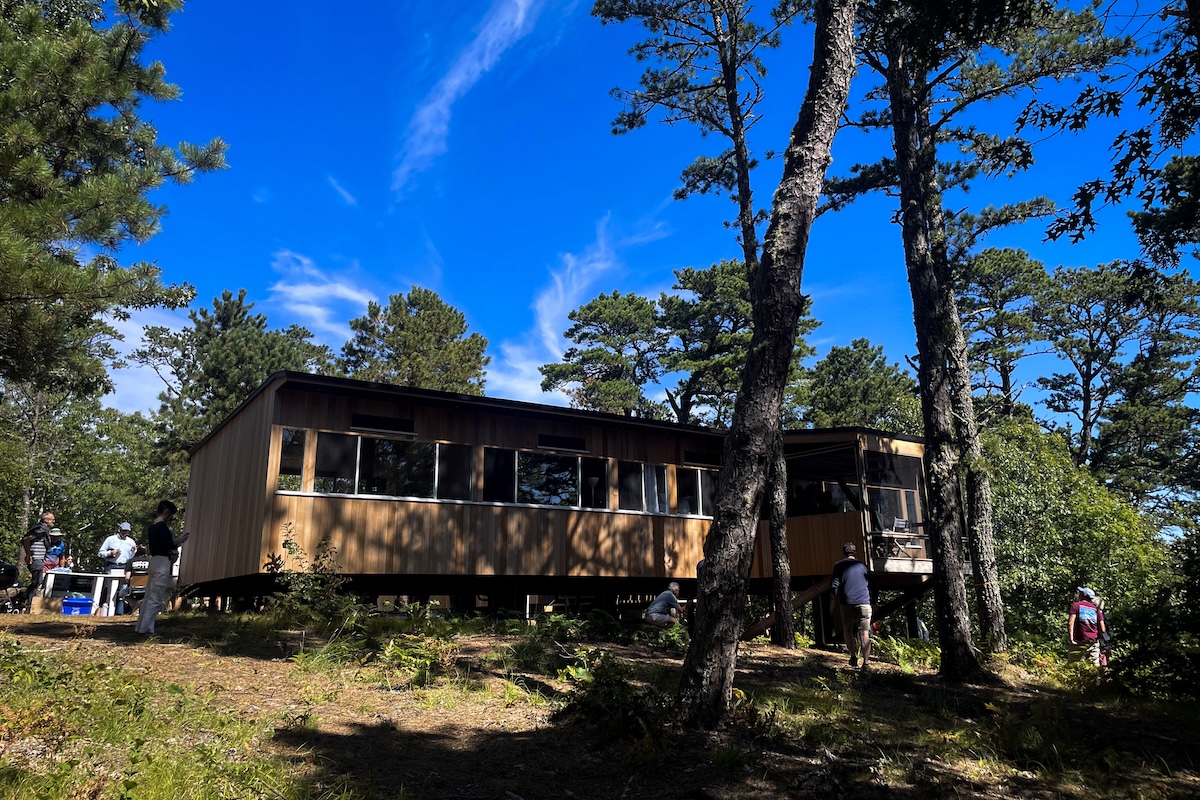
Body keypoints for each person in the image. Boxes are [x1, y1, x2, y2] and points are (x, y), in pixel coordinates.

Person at [134, 501, 191, 635]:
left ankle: (140, 626)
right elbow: (169, 544)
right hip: (162, 562)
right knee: (155, 597)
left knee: (148, 596)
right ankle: (147, 628)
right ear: (166, 512)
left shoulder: (152, 526)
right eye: (170, 514)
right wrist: (180, 540)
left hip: (153, 561)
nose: (170, 518)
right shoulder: (162, 527)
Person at [830, 542, 872, 671]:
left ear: (844, 552)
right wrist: (873, 602)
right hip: (864, 602)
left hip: (847, 602)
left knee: (847, 630)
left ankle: (853, 656)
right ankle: (866, 663)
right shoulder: (863, 566)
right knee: (865, 632)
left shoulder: (839, 565)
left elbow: (834, 585)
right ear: (855, 552)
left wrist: (835, 600)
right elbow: (873, 584)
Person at [99, 522, 139, 615]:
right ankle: (103, 610)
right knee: (107, 588)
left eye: (127, 531)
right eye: (123, 531)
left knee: (122, 590)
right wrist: (110, 553)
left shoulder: (131, 542)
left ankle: (119, 612)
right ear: (119, 530)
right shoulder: (110, 539)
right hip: (111, 565)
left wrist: (133, 552)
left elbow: (132, 556)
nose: (125, 533)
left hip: (124, 566)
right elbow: (100, 553)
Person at [19, 511, 54, 612]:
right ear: (46, 520)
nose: (54, 521)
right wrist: (28, 554)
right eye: (52, 519)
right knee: (36, 582)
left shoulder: (43, 530)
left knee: (37, 582)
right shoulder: (40, 529)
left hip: (39, 559)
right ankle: (27, 603)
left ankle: (24, 600)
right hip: (36, 559)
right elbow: (26, 539)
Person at [1068, 586, 1107, 666]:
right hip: (1093, 642)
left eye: (1081, 593)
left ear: (1083, 595)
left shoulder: (1076, 605)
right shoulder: (1096, 610)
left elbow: (1070, 623)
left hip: (1079, 641)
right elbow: (1103, 629)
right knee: (1094, 667)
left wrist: (1071, 639)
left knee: (1073, 666)